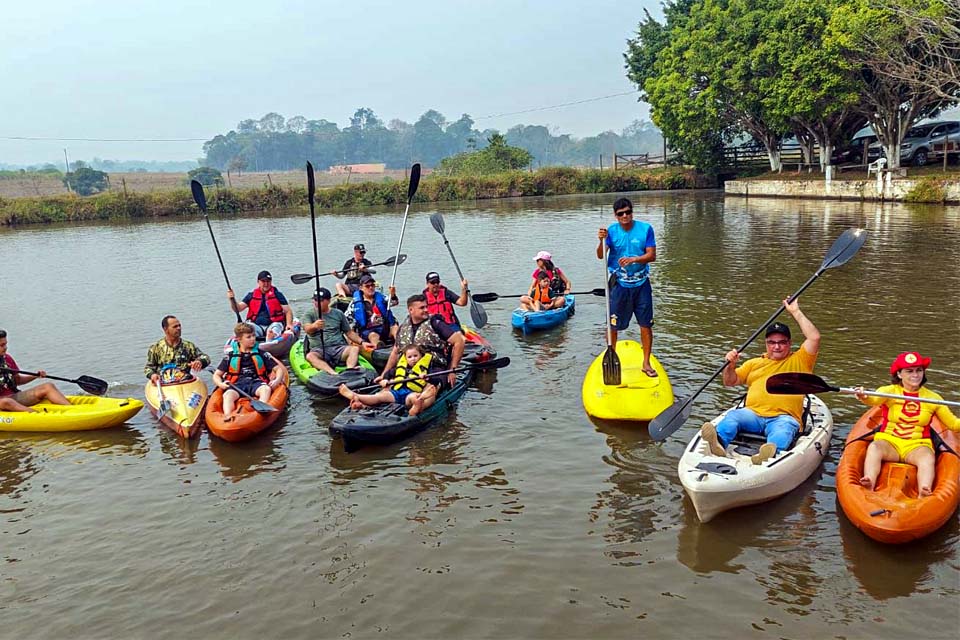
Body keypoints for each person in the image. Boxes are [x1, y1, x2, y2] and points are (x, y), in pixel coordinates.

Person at [700, 298, 821, 465]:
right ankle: (718, 444)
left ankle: (768, 454)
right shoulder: (753, 363)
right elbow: (730, 381)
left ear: (789, 344)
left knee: (782, 430)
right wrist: (730, 365)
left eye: (781, 342)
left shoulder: (801, 360)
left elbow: (814, 337)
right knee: (733, 417)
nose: (776, 347)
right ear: (766, 344)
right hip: (752, 415)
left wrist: (795, 312)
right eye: (772, 342)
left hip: (783, 417)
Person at [854, 352, 960, 497]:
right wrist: (864, 396)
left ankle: (924, 490)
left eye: (919, 370)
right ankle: (869, 481)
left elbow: (953, 424)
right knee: (874, 447)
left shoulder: (933, 398)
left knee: (927, 457)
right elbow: (874, 400)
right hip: (890, 441)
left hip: (917, 445)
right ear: (899, 374)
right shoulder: (890, 391)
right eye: (909, 371)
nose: (915, 375)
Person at [597, 197, 658, 377]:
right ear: (616, 216)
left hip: (641, 284)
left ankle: (646, 363)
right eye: (621, 214)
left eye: (628, 212)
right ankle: (611, 359)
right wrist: (600, 241)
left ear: (632, 212)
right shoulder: (611, 232)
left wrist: (634, 259)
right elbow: (601, 256)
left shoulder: (645, 229)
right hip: (619, 285)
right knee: (613, 326)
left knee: (645, 325)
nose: (625, 216)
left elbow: (652, 255)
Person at [378, 294, 466, 391]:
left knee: (427, 392)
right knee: (386, 389)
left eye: (426, 307)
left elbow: (459, 341)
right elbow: (395, 352)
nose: (426, 310)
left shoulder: (436, 323)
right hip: (407, 371)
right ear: (411, 310)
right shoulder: (403, 327)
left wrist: (452, 370)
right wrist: (383, 375)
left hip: (433, 370)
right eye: (422, 308)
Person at [338, 344, 437, 416]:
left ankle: (416, 406)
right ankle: (356, 396)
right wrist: (385, 379)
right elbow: (388, 374)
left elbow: (433, 379)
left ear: (421, 356)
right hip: (396, 393)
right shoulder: (399, 368)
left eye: (416, 356)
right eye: (410, 357)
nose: (413, 359)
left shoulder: (425, 369)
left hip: (410, 394)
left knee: (414, 397)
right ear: (405, 359)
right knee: (380, 396)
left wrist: (427, 376)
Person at [212, 323, 287, 416]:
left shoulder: (261, 353)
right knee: (227, 395)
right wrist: (220, 384)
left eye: (253, 336)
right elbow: (217, 375)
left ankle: (259, 412)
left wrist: (277, 380)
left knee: (266, 389)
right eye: (248, 337)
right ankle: (229, 416)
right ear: (239, 339)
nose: (253, 339)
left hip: (256, 382)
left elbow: (278, 369)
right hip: (237, 384)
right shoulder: (231, 356)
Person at [0, 328, 71, 412]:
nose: (5, 348)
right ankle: (36, 414)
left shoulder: (7, 358)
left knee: (48, 386)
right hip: (3, 402)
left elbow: (18, 380)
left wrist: (35, 376)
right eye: (2, 345)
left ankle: (73, 410)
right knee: (6, 402)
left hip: (14, 396)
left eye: (5, 344)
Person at [302, 287, 364, 374]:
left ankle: (349, 371)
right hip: (319, 350)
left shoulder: (338, 313)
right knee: (310, 356)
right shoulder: (309, 314)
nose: (316, 302)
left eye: (320, 300)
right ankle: (332, 373)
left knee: (354, 349)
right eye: (315, 300)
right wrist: (314, 326)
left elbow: (349, 332)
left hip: (339, 348)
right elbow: (307, 329)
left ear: (328, 301)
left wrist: (362, 342)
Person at [227, 270, 294, 341]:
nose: (266, 284)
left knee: (275, 328)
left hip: (274, 324)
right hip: (256, 325)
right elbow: (238, 309)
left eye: (268, 281)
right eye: (263, 281)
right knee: (246, 330)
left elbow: (288, 311)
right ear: (258, 282)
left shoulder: (278, 295)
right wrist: (232, 299)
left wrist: (289, 324)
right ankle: (247, 343)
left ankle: (272, 337)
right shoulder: (251, 295)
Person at [144, 315, 210, 383]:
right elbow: (148, 368)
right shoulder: (156, 348)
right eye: (175, 326)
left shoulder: (188, 346)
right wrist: (152, 375)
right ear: (165, 329)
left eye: (179, 325)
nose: (179, 328)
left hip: (185, 382)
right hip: (164, 384)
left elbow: (206, 358)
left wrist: (199, 362)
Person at [351, 273, 398, 350]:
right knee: (373, 336)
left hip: (384, 328)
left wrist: (392, 295)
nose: (371, 288)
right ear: (361, 288)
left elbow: (394, 302)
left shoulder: (381, 298)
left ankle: (401, 346)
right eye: (367, 286)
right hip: (369, 331)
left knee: (395, 328)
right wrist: (354, 339)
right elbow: (349, 321)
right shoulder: (355, 303)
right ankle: (380, 348)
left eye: (372, 285)